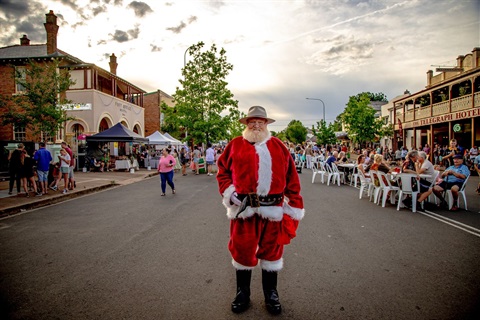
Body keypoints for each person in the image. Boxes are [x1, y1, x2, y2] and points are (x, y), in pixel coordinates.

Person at [216, 106, 305, 315]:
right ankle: (242, 293)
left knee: (272, 252)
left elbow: (292, 177)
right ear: (246, 124)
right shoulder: (235, 145)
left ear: (266, 124)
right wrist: (231, 193)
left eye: (260, 122)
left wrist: (294, 204)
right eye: (252, 122)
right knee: (242, 250)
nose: (256, 125)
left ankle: (271, 293)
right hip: (244, 209)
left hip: (273, 210)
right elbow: (222, 172)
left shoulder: (279, 147)